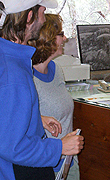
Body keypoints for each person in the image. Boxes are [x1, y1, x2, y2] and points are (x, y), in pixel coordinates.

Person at [0, 0, 84, 179]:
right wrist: (59, 147)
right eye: (42, 13)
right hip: (11, 171)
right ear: (30, 17)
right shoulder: (12, 73)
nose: (43, 20)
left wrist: (35, 120)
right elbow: (11, 147)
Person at [28, 13, 80, 180]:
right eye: (61, 34)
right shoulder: (26, 76)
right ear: (47, 38)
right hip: (44, 166)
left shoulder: (56, 69)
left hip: (68, 162)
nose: (65, 39)